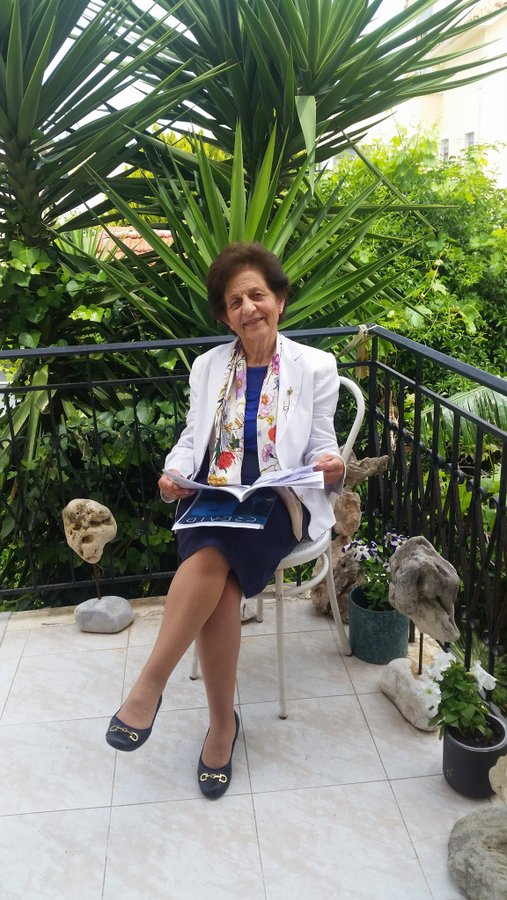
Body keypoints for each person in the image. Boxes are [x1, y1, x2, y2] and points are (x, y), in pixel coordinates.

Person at [106, 242, 345, 799]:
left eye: (257, 295)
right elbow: (194, 439)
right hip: (216, 492)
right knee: (220, 568)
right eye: (235, 302)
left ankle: (151, 688)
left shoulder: (315, 366)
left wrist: (331, 466)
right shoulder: (210, 366)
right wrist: (173, 472)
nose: (248, 309)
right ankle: (220, 726)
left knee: (213, 555)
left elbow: (321, 446)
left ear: (279, 299)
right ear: (225, 316)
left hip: (277, 500)